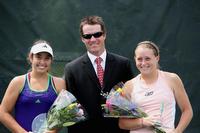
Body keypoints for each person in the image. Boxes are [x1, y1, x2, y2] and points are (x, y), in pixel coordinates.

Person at [63, 15, 134, 133]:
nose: (93, 39)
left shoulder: (123, 64)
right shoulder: (72, 69)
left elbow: (131, 100)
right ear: (82, 39)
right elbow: (72, 111)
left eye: (97, 34)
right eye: (87, 36)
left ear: (104, 35)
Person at [119, 41, 193, 133]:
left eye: (147, 58)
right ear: (135, 59)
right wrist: (143, 122)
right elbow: (122, 123)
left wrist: (177, 131)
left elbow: (187, 111)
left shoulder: (172, 79)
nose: (143, 63)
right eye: (139, 59)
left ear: (157, 58)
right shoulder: (128, 86)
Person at [0, 40, 66, 133]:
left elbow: (63, 115)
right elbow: (3, 112)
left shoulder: (59, 83)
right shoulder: (18, 82)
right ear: (31, 58)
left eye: (47, 58)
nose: (42, 62)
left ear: (51, 60)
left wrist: (50, 132)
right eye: (38, 57)